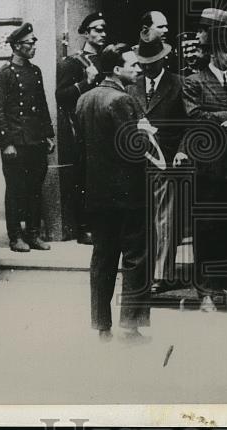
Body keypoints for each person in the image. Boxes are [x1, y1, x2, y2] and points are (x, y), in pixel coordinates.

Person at [77, 44, 153, 342]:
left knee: (103, 258)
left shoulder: (84, 99)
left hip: (97, 194)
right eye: (132, 64)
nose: (138, 68)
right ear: (116, 69)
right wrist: (145, 134)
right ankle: (130, 325)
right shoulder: (123, 100)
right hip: (129, 194)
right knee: (135, 257)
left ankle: (101, 325)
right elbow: (135, 150)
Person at [181, 15, 227, 310]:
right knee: (206, 228)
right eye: (226, 52)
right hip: (208, 168)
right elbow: (195, 117)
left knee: (226, 226)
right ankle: (204, 290)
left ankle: (221, 283)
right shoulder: (193, 82)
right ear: (212, 52)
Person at [125, 37, 188, 295]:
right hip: (138, 162)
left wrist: (183, 150)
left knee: (166, 219)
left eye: (152, 62)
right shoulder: (131, 86)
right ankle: (144, 271)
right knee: (143, 219)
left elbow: (189, 123)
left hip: (168, 162)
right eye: (143, 63)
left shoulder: (178, 84)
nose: (146, 68)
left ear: (163, 59)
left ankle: (162, 275)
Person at [0, 23, 56, 252]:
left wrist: (48, 134)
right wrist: (6, 143)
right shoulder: (2, 75)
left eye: (34, 41)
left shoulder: (35, 71)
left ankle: (33, 234)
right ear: (17, 46)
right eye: (30, 43)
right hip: (15, 143)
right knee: (16, 190)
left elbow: (42, 104)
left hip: (35, 140)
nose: (34, 46)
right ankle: (15, 236)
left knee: (35, 188)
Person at [55, 11, 109, 244]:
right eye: (97, 29)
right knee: (86, 178)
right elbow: (62, 96)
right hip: (84, 129)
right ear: (86, 33)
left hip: (107, 125)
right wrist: (86, 81)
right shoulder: (73, 62)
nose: (102, 33)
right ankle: (85, 226)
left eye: (104, 29)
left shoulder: (109, 59)